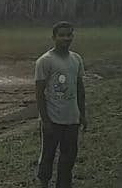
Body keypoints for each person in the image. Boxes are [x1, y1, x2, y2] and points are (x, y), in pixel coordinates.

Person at [34, 21, 87, 188]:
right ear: (54, 37)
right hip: (52, 119)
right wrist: (45, 120)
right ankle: (44, 183)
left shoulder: (76, 59)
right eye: (62, 35)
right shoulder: (45, 61)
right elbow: (39, 93)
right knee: (48, 156)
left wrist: (82, 114)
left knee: (69, 157)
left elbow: (80, 88)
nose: (66, 38)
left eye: (69, 35)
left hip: (72, 119)